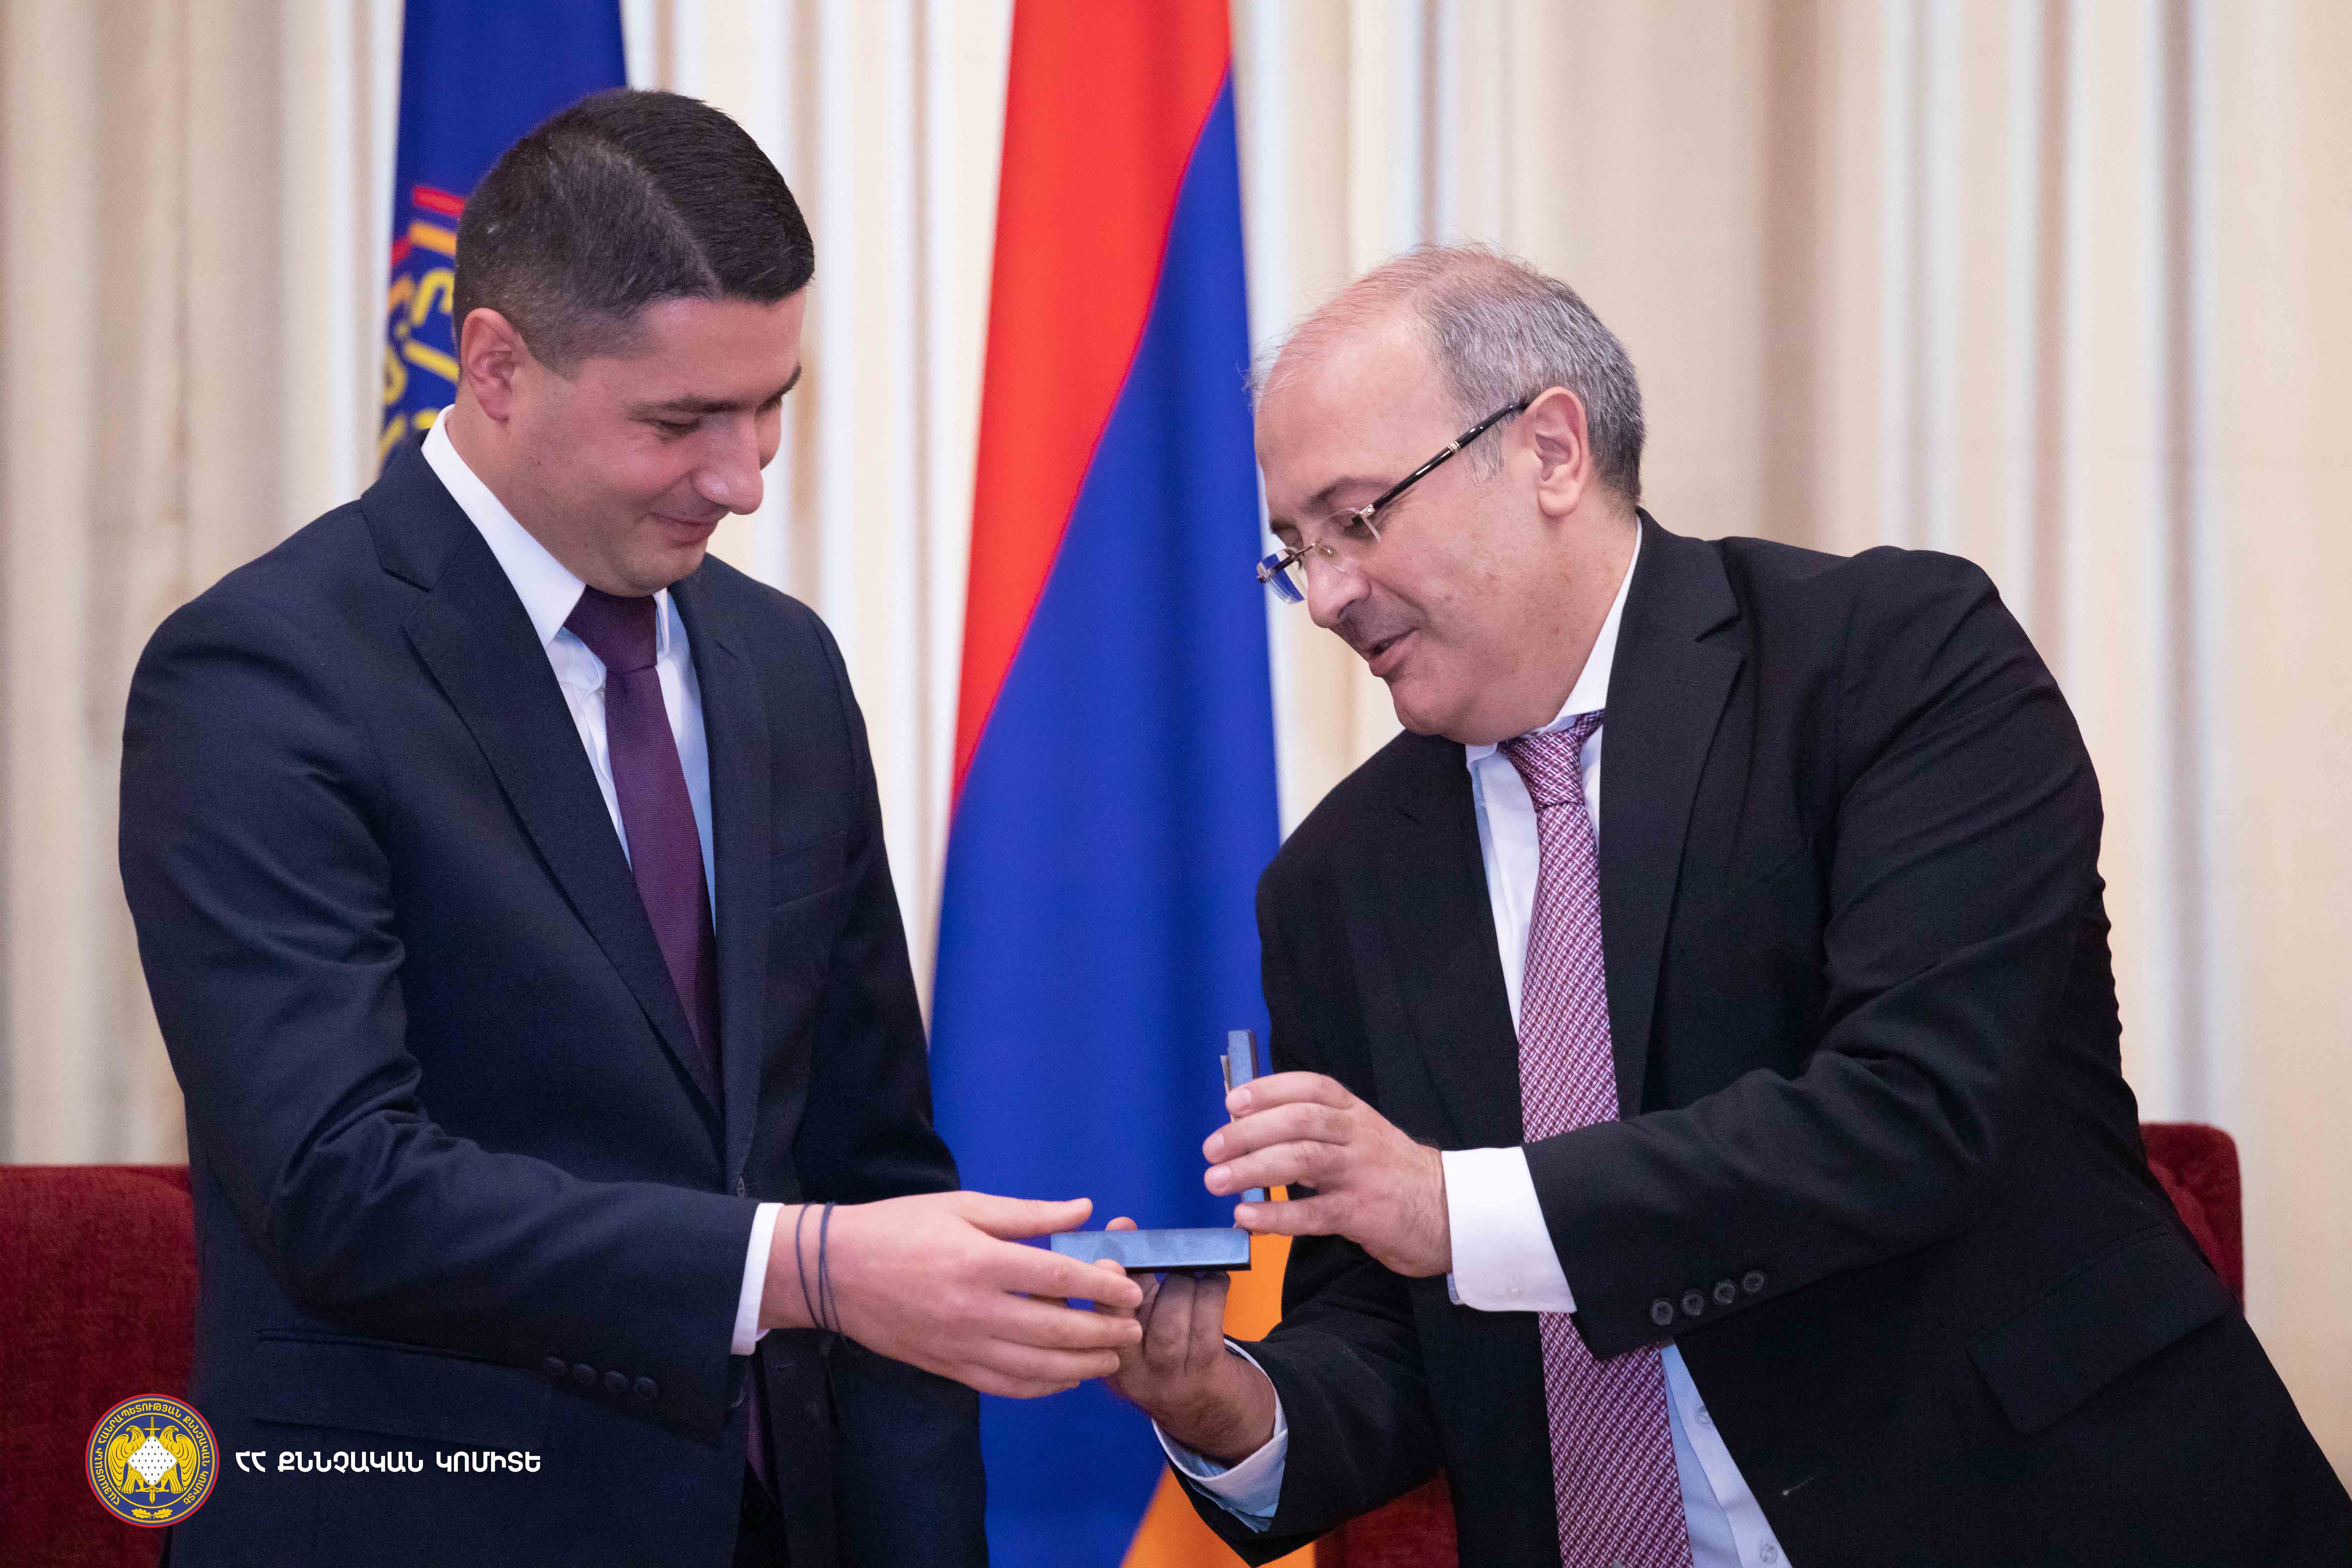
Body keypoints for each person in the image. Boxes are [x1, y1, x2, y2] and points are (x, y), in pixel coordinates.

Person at [1093, 245, 2352, 1566]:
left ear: (1550, 452)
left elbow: (1915, 1112)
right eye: (1294, 551)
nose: (1326, 598)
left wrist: (1457, 1207)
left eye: (1357, 520)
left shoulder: (1894, 659)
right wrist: (1225, 1403)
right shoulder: (1335, 883)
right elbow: (1392, 1326)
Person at [118, 89, 1140, 1568]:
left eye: (773, 403)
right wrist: (805, 1267)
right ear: (496, 366)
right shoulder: (266, 674)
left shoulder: (783, 665)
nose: (745, 478)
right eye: (681, 422)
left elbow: (869, 1166)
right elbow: (338, 1185)